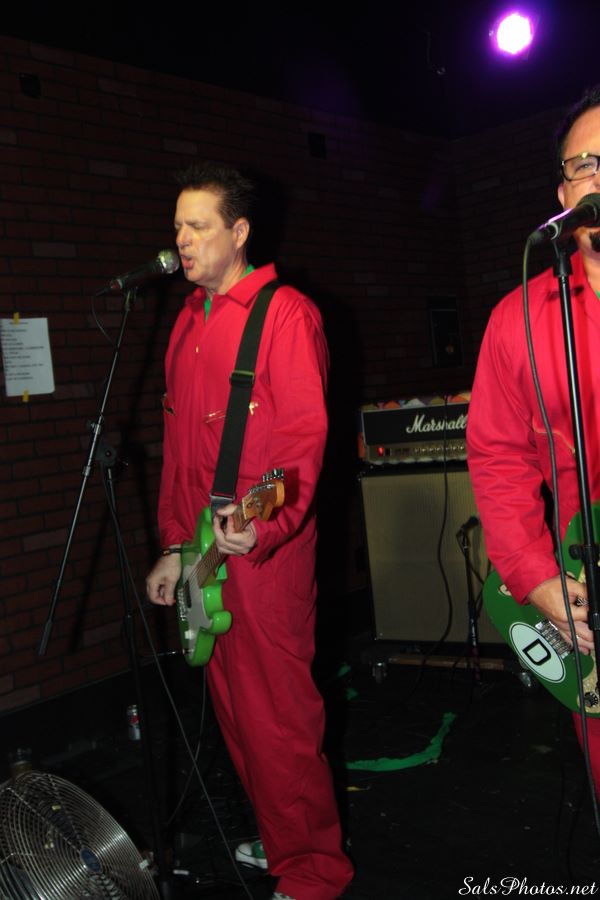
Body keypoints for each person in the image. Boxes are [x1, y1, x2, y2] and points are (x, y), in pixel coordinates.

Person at [145, 161, 353, 900]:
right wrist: (176, 545)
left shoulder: (285, 314)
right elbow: (179, 454)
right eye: (177, 226)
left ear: (239, 232)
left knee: (280, 719)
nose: (182, 239)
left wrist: (265, 523)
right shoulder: (186, 324)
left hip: (265, 558)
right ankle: (281, 836)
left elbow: (301, 444)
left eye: (198, 226)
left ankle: (315, 871)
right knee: (236, 717)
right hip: (204, 555)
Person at [467, 85, 600, 788]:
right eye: (586, 165)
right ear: (564, 194)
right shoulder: (517, 317)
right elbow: (497, 454)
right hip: (585, 582)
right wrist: (536, 574)